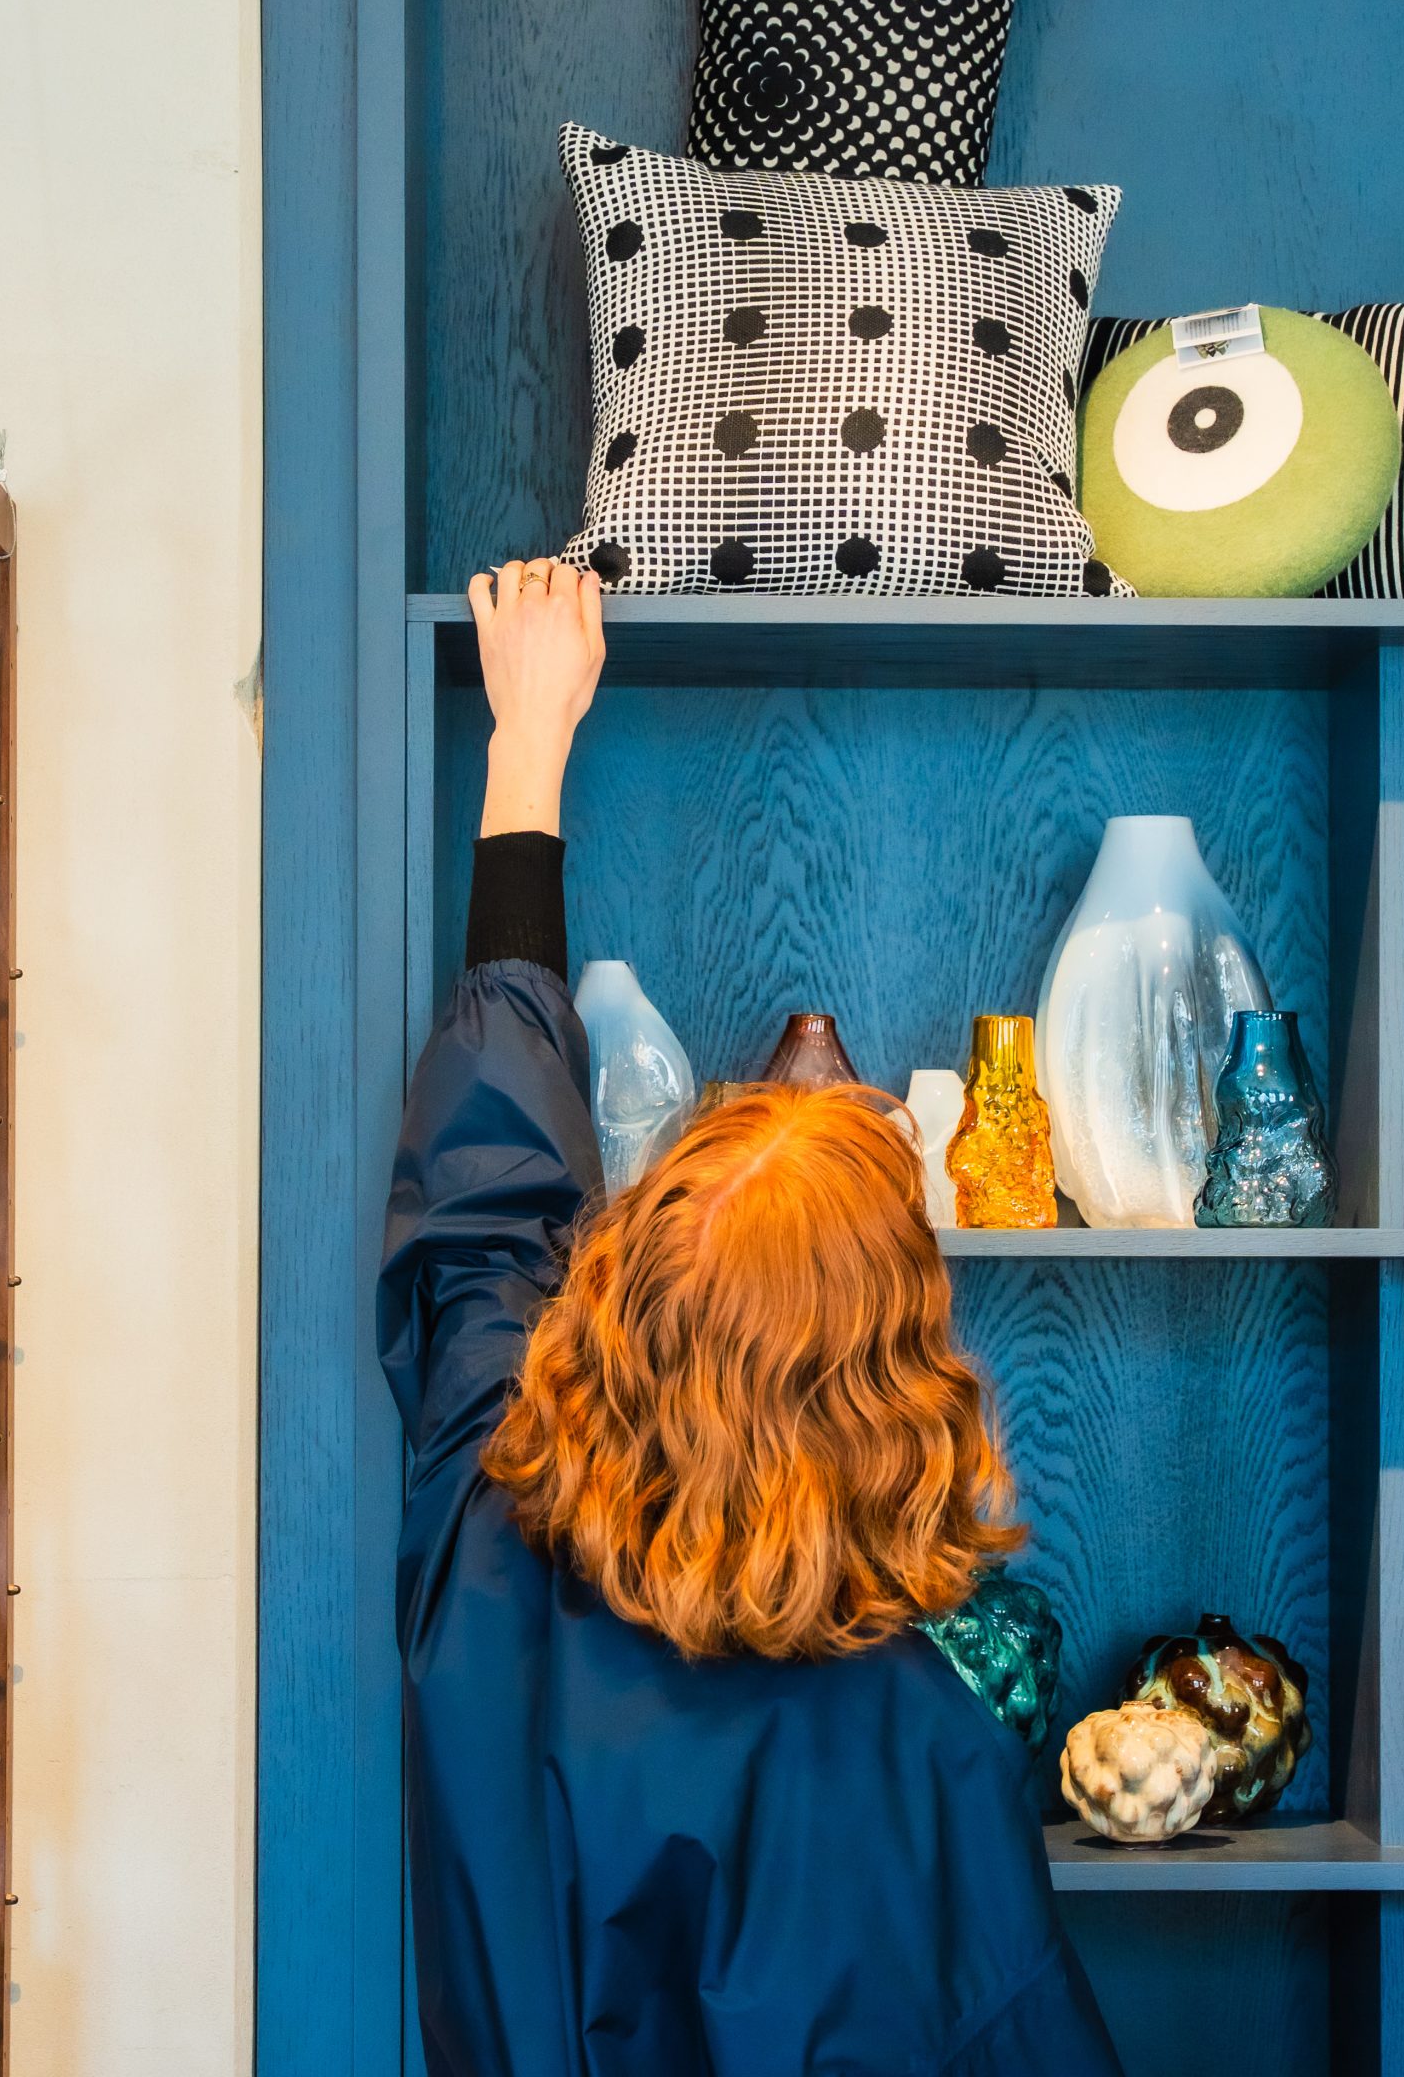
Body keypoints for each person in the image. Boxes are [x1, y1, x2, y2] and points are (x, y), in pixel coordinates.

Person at [379, 557, 1123, 2077]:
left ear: (620, 1297)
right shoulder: (924, 1755)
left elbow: (483, 1211)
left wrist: (529, 743)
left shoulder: (484, 1543)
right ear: (900, 1377)